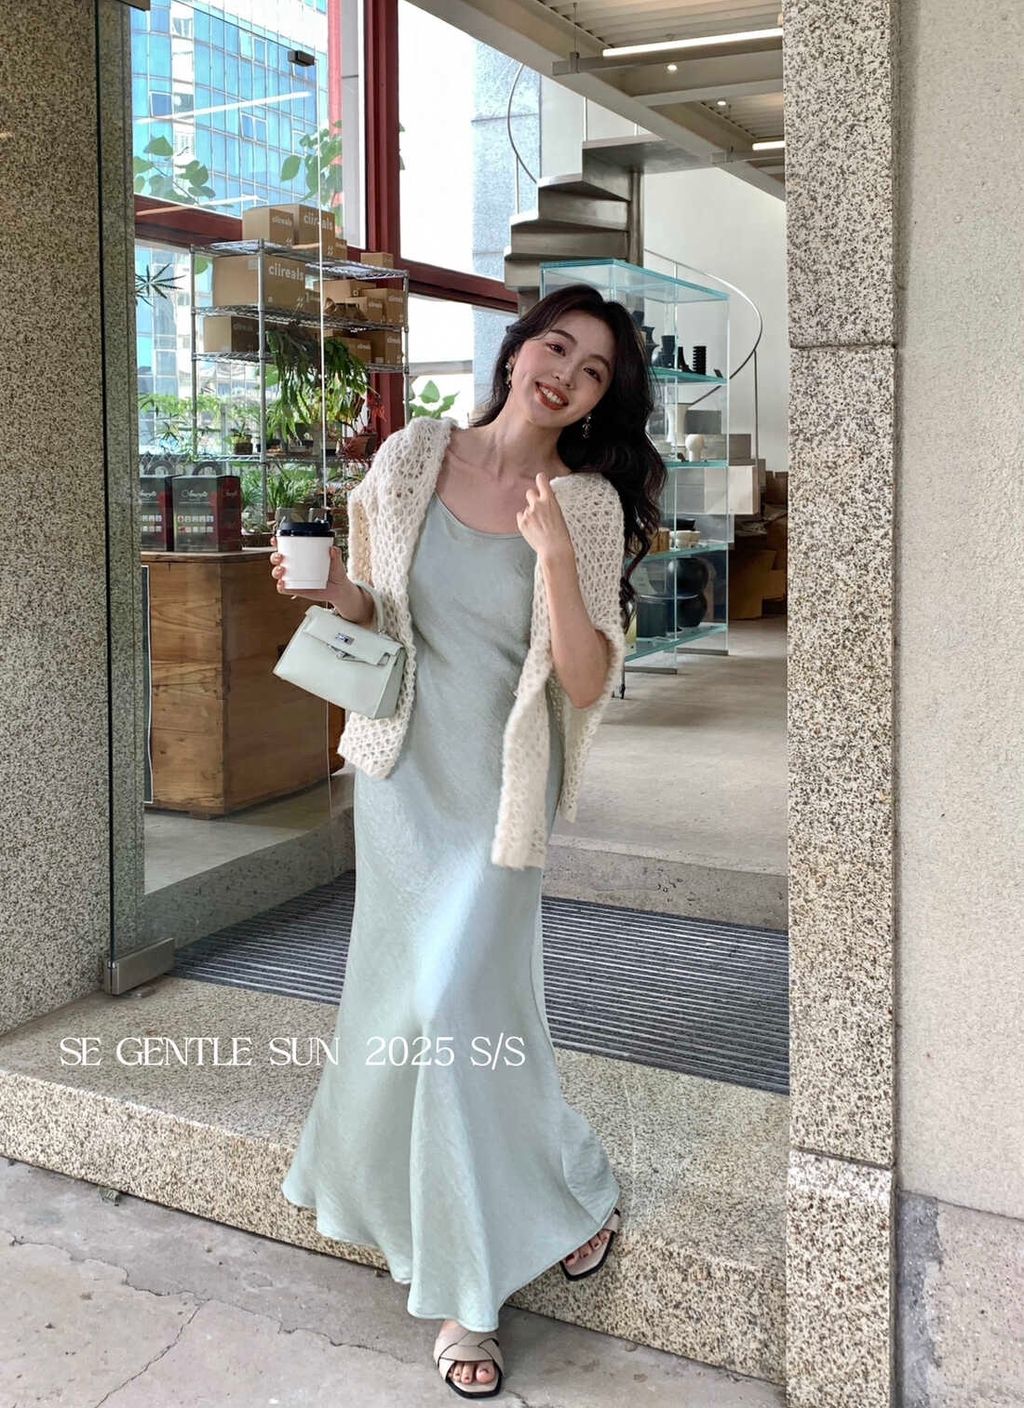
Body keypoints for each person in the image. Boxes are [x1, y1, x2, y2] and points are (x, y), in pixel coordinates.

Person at [270, 283, 664, 1398]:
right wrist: (324, 589)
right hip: (403, 778)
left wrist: (556, 557)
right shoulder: (411, 457)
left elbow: (584, 682)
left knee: (455, 1011)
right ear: (517, 348)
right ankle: (557, 1189)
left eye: (593, 371)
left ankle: (465, 1300)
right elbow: (375, 611)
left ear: (601, 401)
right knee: (414, 1009)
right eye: (557, 347)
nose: (566, 375)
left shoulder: (585, 503)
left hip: (501, 789)